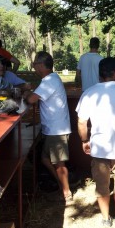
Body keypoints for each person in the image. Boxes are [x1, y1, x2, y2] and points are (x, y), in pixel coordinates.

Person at [76, 57, 115, 227]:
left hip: (99, 146)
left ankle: (105, 218)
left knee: (101, 183)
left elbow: (81, 122)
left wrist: (84, 140)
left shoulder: (89, 92)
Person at [23, 51, 73, 203]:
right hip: (54, 127)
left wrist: (25, 92)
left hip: (56, 129)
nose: (34, 68)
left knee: (58, 162)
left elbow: (31, 99)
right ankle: (62, 184)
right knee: (45, 158)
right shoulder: (51, 78)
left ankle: (66, 192)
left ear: (41, 65)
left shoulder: (49, 81)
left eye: (35, 64)